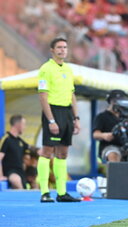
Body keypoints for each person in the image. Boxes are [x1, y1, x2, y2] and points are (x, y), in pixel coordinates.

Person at [37, 37, 81, 203]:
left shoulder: (68, 69)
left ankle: (61, 192)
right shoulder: (45, 69)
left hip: (67, 113)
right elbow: (42, 96)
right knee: (47, 151)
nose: (63, 50)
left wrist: (76, 118)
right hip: (53, 111)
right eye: (59, 47)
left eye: (65, 47)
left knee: (63, 153)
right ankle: (44, 192)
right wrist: (50, 120)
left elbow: (72, 94)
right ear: (52, 50)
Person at [0, 115, 38, 189]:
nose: (25, 127)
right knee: (16, 180)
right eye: (24, 124)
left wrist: (46, 150)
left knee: (34, 184)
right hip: (10, 172)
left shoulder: (20, 141)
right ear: (18, 125)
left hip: (21, 172)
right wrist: (0, 176)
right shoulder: (6, 139)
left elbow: (32, 148)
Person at [93, 90, 125, 162]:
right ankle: (115, 172)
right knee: (113, 154)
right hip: (110, 146)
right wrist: (104, 135)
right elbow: (95, 134)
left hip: (127, 146)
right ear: (110, 101)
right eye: (115, 101)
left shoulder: (126, 116)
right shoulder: (102, 117)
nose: (117, 103)